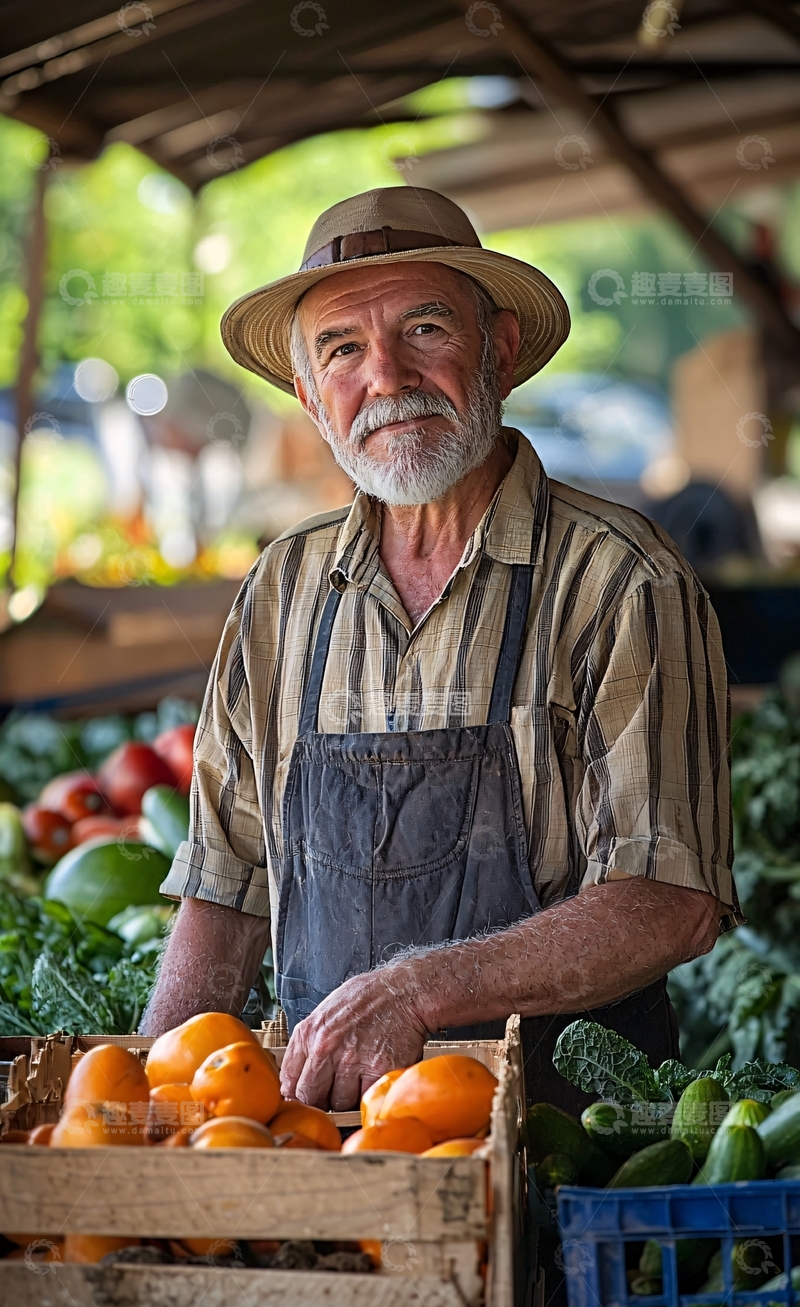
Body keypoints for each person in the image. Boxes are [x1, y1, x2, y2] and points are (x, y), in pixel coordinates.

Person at [142, 186, 736, 1110]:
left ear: (496, 349)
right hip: (322, 1141)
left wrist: (415, 990)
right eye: (342, 349)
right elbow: (225, 890)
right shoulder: (282, 591)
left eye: (424, 330)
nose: (386, 376)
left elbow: (670, 898)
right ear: (309, 394)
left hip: (558, 1144)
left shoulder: (624, 580)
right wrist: (154, 1108)